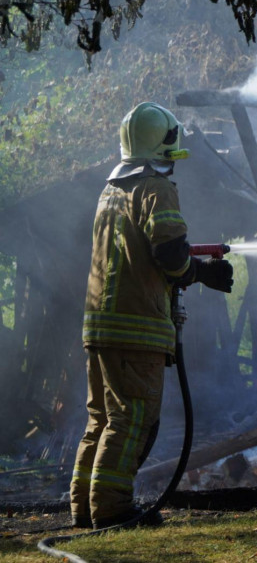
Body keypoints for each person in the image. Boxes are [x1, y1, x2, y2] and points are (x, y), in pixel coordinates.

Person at [69, 101, 234, 529]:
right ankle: (112, 510)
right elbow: (168, 252)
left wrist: (191, 269)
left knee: (102, 418)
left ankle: (84, 509)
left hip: (101, 325)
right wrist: (201, 273)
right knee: (132, 417)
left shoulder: (111, 191)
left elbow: (140, 255)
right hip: (136, 328)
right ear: (164, 148)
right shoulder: (156, 189)